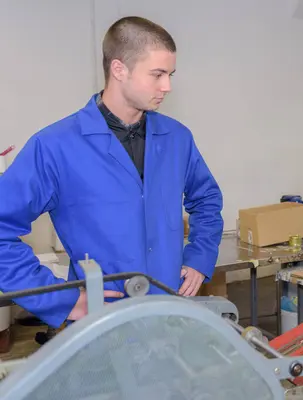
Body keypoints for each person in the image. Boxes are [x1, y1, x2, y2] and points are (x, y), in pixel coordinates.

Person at [0, 16, 224, 329]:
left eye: (170, 75)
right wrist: (59, 299)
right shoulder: (54, 147)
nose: (167, 87)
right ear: (119, 69)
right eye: (157, 74)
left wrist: (199, 258)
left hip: (171, 317)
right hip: (101, 326)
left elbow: (208, 199)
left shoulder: (177, 138)